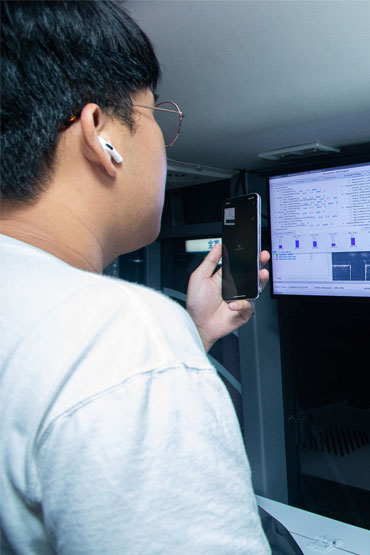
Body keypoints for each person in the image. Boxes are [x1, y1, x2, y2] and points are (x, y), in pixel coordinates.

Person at [0, 2, 274, 553]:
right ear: (98, 133)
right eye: (155, 117)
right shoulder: (120, 331)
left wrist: (194, 336)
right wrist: (158, 352)